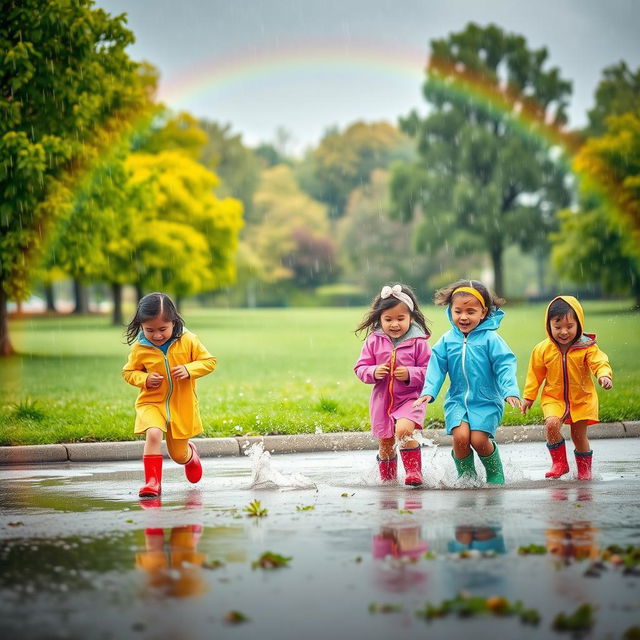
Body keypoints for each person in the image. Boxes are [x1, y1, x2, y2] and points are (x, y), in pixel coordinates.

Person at [414, 280, 520, 484]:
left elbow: (505, 364)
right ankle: (467, 476)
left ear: (483, 312)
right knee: (461, 438)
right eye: (458, 311)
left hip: (487, 400)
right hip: (457, 401)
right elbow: (436, 367)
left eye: (470, 311)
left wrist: (510, 391)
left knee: (479, 440)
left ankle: (495, 472)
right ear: (450, 311)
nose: (463, 317)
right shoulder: (446, 340)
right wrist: (429, 391)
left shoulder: (491, 339)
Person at [122, 292, 217, 498]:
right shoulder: (140, 348)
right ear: (141, 326)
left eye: (162, 329)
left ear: (174, 322)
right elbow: (129, 372)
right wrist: (144, 380)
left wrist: (189, 369)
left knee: (178, 455)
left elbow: (209, 361)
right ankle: (152, 483)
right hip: (151, 402)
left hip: (180, 406)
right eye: (150, 330)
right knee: (153, 433)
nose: (156, 335)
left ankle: (190, 456)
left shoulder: (188, 340)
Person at [521, 296, 613, 481]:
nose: (564, 332)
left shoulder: (587, 347)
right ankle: (560, 463)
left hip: (582, 398)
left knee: (579, 437)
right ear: (548, 326)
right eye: (557, 327)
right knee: (552, 424)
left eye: (569, 326)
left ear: (579, 324)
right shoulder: (542, 349)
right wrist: (529, 397)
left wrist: (604, 375)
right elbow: (534, 374)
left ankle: (585, 471)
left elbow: (599, 362)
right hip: (553, 397)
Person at [354, 284, 432, 485]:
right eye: (388, 319)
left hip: (410, 399)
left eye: (400, 319)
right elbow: (360, 368)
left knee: (404, 431)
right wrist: (374, 371)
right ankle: (388, 480)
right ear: (380, 319)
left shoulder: (418, 342)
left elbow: (430, 372)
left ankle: (414, 472)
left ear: (411, 318)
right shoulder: (374, 341)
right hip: (382, 401)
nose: (394, 324)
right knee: (386, 443)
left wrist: (409, 374)